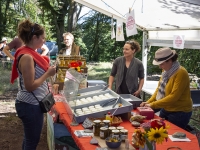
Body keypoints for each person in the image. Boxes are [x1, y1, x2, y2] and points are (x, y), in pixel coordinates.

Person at [11, 19, 56, 150]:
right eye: (43, 38)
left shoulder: (30, 54)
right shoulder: (27, 57)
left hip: (30, 104)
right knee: (32, 142)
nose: (44, 41)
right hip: (30, 105)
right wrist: (48, 74)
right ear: (34, 37)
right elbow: (29, 86)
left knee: (29, 139)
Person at [140, 47, 193, 130]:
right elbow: (158, 90)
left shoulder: (181, 73)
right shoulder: (166, 71)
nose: (160, 67)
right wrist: (148, 102)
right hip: (166, 108)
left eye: (162, 64)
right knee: (159, 131)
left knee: (171, 136)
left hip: (180, 112)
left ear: (170, 60)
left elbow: (174, 97)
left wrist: (152, 105)